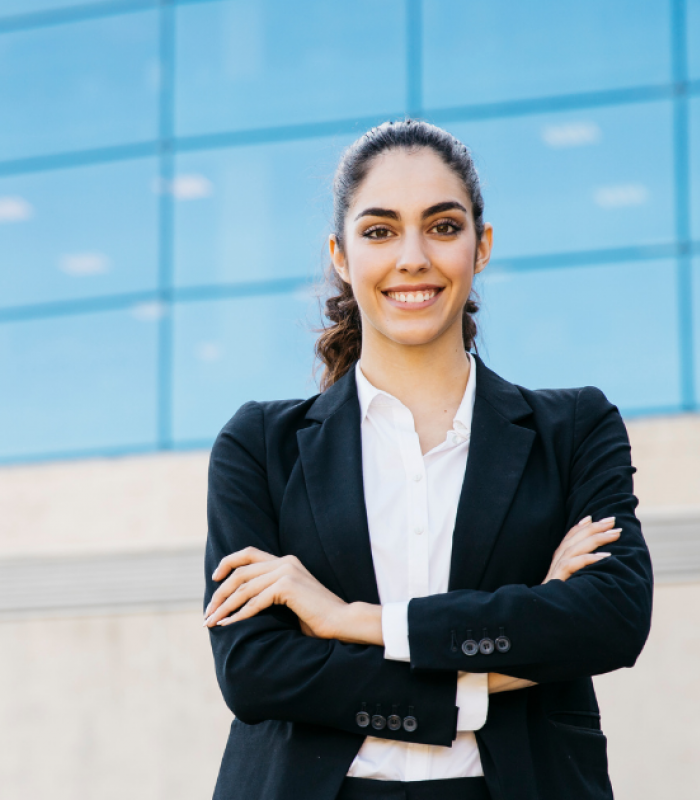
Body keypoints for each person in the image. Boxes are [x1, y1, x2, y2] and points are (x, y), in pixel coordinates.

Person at [201, 119, 653, 800]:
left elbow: (611, 619)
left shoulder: (574, 428)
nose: (412, 257)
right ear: (341, 255)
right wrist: (511, 647)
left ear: (482, 245)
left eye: (443, 227)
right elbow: (256, 670)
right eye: (379, 231)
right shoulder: (259, 445)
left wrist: (350, 621)